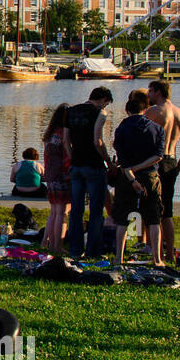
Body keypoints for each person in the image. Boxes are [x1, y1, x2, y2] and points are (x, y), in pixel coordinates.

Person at [112, 90, 165, 267]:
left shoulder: (121, 129)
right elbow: (159, 156)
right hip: (150, 176)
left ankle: (119, 257)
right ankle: (157, 259)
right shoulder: (157, 128)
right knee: (153, 217)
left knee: (122, 217)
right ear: (145, 109)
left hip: (126, 178)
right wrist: (140, 168)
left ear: (127, 110)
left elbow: (122, 160)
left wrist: (132, 176)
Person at [145, 80, 180, 264]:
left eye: (150, 91)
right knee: (168, 211)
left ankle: (155, 252)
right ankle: (170, 253)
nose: (148, 95)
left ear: (157, 92)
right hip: (171, 161)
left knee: (152, 208)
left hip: (155, 162)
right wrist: (177, 168)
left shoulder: (154, 112)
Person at [64, 86, 114, 257]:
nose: (105, 107)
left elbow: (66, 140)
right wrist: (107, 161)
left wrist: (73, 159)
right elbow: (97, 140)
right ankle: (93, 250)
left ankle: (75, 249)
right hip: (94, 165)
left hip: (76, 165)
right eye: (106, 104)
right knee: (96, 210)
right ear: (103, 100)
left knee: (76, 210)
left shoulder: (70, 111)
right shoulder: (100, 113)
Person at [41, 104, 72, 253]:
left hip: (50, 175)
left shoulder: (50, 134)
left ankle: (49, 243)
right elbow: (67, 155)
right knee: (62, 212)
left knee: (54, 211)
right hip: (62, 175)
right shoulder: (63, 134)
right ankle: (57, 245)